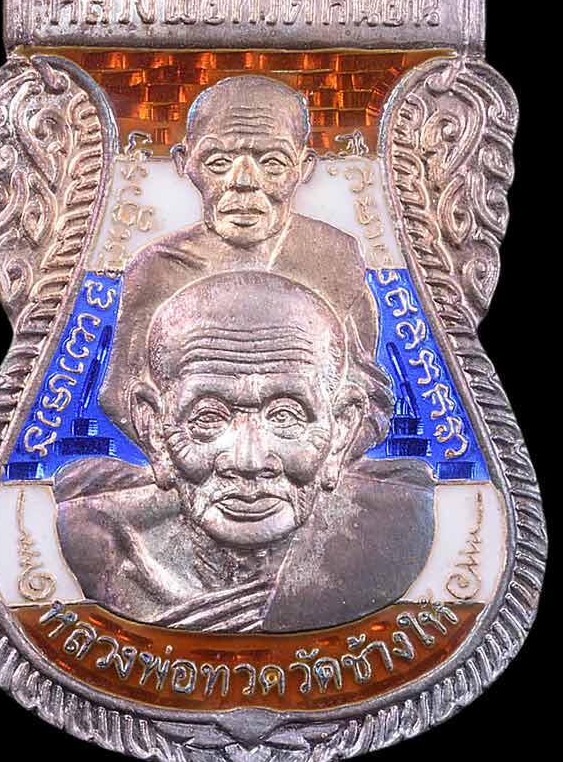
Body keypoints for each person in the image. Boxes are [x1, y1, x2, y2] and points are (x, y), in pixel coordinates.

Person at [55, 271, 435, 631]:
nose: (248, 461)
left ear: (342, 428)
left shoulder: (394, 534)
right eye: (208, 417)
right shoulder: (103, 542)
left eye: (285, 416)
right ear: (153, 427)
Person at [99, 74, 385, 456]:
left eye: (272, 162)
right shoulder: (159, 268)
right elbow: (120, 396)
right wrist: (193, 462)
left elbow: (368, 397)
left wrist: (310, 463)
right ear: (185, 163)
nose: (244, 181)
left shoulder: (334, 257)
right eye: (218, 162)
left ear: (304, 167)